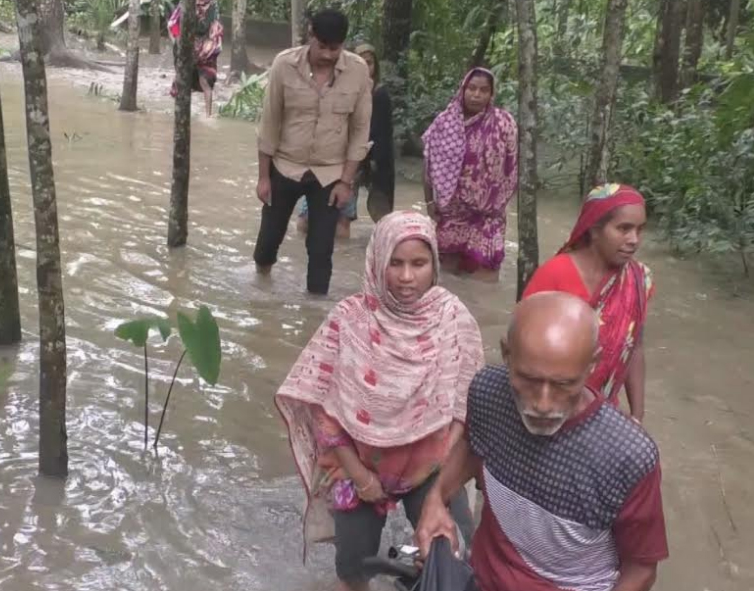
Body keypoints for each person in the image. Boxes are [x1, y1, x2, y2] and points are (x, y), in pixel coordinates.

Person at [275, 212, 484, 591]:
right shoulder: (350, 319)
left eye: (418, 264)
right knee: (353, 574)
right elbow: (325, 411)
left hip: (432, 468)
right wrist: (361, 477)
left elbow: (464, 408)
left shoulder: (452, 317)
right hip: (361, 470)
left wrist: (441, 469)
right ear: (377, 263)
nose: (406, 277)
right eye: (396, 264)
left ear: (434, 264)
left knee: (453, 560)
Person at [415, 292, 668, 591]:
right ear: (507, 355)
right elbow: (474, 446)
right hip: (482, 577)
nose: (544, 404)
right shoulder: (487, 392)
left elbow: (640, 570)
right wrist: (436, 498)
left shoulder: (628, 456)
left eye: (564, 384)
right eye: (529, 380)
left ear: (592, 364)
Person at [253, 8, 373, 295]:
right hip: (284, 166)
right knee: (268, 240)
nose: (329, 55)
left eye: (336, 48)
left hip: (330, 173)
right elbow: (269, 123)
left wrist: (346, 182)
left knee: (321, 250)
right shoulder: (284, 65)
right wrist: (263, 177)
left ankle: (315, 314)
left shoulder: (357, 71)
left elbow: (360, 130)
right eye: (323, 46)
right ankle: (261, 284)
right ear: (311, 36)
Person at [521, 183, 653, 423]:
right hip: (546, 407)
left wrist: (636, 417)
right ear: (594, 230)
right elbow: (523, 349)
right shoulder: (555, 275)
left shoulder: (638, 280)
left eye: (639, 229)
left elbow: (635, 348)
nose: (634, 239)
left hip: (599, 411)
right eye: (623, 229)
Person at [421, 67, 517, 280]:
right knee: (446, 281)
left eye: (483, 90)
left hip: (489, 216)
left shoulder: (504, 123)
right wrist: (430, 202)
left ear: (491, 94)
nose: (476, 94)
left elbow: (512, 167)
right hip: (452, 212)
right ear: (462, 90)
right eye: (472, 88)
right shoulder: (444, 123)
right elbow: (428, 164)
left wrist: (496, 201)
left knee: (485, 283)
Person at [297, 42, 397, 237]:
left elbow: (381, 134)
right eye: (361, 62)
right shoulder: (338, 87)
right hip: (329, 158)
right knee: (306, 217)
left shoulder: (379, 94)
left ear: (375, 66)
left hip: (357, 162)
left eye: (369, 63)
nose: (365, 68)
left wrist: (368, 163)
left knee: (342, 216)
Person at [168, 0, 222, 116]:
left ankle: (208, 116)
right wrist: (178, 42)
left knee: (205, 81)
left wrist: (208, 45)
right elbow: (173, 23)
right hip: (187, 46)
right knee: (183, 81)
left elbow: (215, 26)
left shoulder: (213, 5)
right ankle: (181, 113)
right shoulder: (185, 2)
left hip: (206, 49)